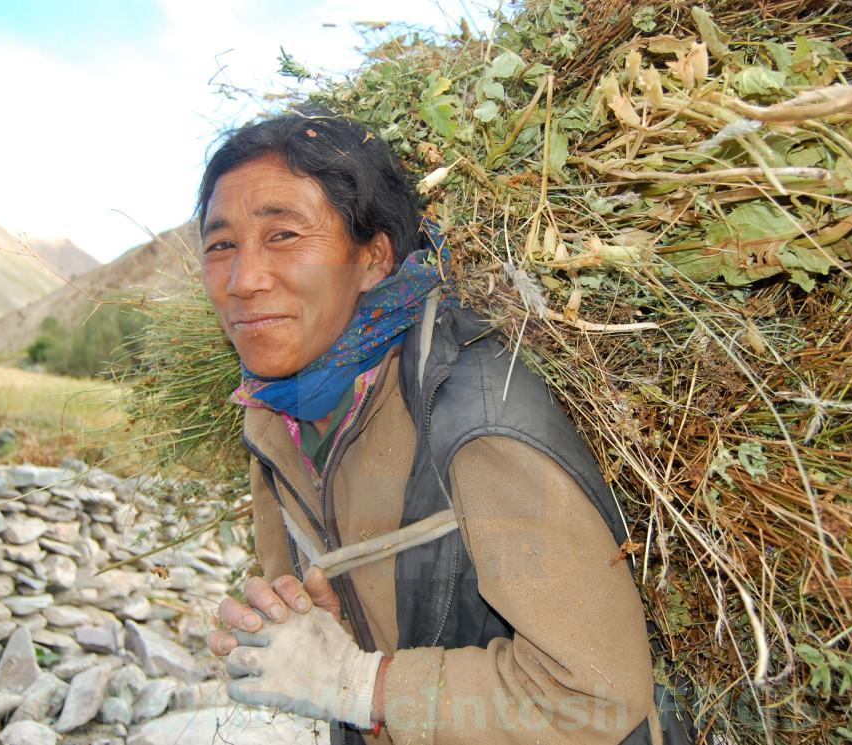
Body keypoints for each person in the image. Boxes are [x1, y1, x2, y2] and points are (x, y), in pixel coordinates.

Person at [198, 112, 663, 745]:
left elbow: (596, 699)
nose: (242, 280)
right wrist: (318, 636)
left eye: (283, 234)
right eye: (220, 244)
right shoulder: (272, 421)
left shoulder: (474, 417)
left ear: (375, 258)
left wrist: (364, 686)